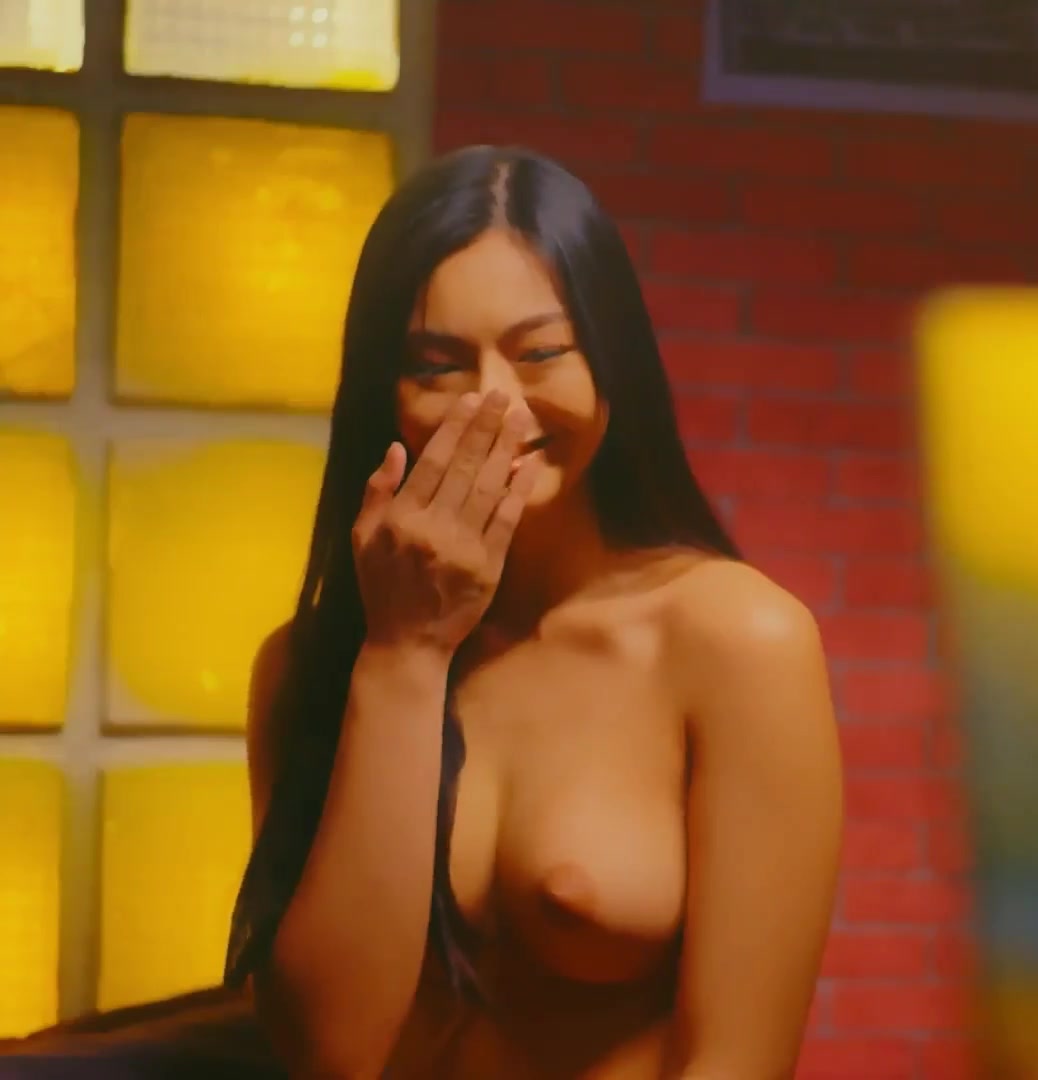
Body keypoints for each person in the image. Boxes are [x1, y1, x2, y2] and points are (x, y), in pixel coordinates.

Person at [216, 145, 845, 1078]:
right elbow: (330, 1054)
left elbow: (737, 1062)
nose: (496, 405)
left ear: (612, 361)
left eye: (542, 352)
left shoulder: (738, 642)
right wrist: (405, 653)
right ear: (380, 392)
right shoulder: (308, 667)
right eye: (437, 366)